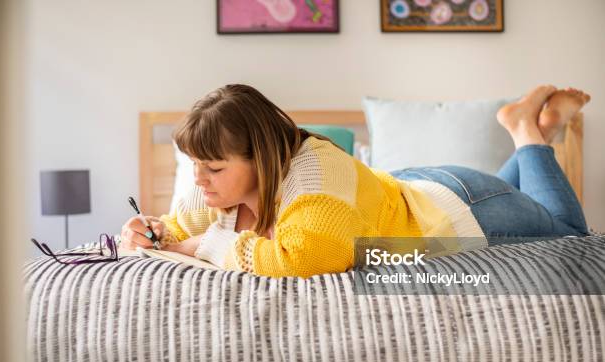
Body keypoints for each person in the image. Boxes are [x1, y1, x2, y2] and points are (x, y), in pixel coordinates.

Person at [120, 84, 591, 278]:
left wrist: (206, 244)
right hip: (408, 189)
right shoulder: (216, 192)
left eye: (215, 168)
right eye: (194, 164)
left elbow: (310, 256)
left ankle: (525, 128)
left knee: (570, 234)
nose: (199, 181)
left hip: (452, 208)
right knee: (524, 201)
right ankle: (546, 130)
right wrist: (145, 231)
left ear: (261, 158)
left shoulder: (315, 170)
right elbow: (175, 231)